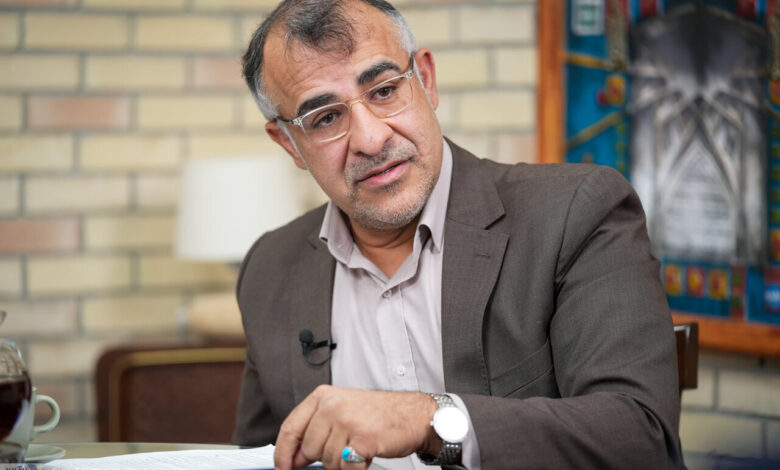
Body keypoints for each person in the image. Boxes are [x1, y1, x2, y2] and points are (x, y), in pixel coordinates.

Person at [233, 0, 684, 469]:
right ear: (289, 143)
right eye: (326, 118)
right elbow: (259, 458)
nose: (370, 139)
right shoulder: (269, 268)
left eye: (384, 90)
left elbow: (641, 438)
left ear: (425, 80)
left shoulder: (575, 213)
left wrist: (430, 419)